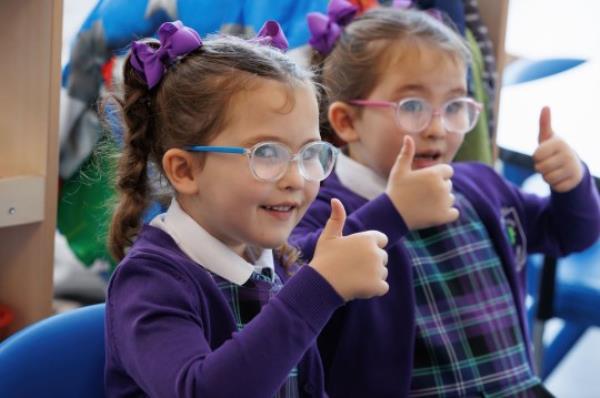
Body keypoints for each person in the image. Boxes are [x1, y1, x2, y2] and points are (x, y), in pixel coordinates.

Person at [291, 2, 600, 397]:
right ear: (347, 122)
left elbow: (570, 234)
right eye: (413, 107)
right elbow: (297, 284)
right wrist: (393, 213)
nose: (438, 128)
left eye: (455, 106)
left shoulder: (481, 185)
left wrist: (572, 184)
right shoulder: (324, 209)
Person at [104, 20, 390, 397]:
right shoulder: (150, 281)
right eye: (267, 153)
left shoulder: (274, 258)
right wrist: (317, 290)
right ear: (185, 170)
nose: (295, 179)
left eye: (309, 153)